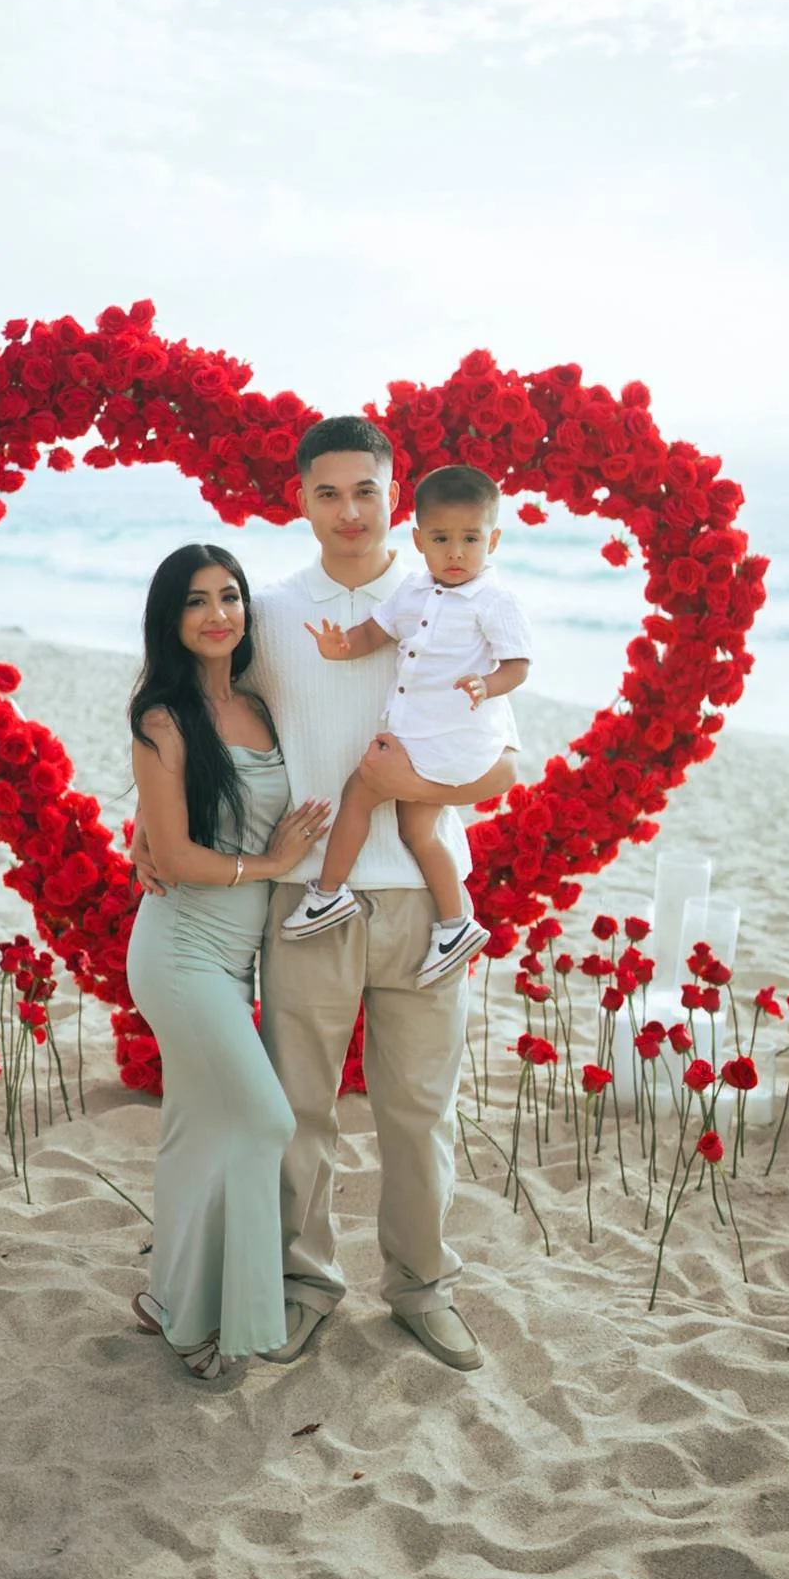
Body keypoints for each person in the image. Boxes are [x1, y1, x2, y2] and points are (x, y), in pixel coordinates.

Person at [246, 419, 517, 1373]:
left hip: (421, 906)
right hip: (307, 900)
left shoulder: (453, 596)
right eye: (328, 493)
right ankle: (303, 1283)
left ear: (394, 495)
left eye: (366, 490)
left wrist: (414, 792)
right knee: (297, 1111)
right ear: (302, 500)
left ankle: (419, 1287)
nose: (349, 511)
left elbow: (504, 768)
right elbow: (201, 723)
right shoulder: (270, 609)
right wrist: (149, 822)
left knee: (417, 1113)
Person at [125, 543, 330, 1379]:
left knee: (194, 1129)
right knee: (263, 1120)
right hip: (178, 951)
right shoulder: (163, 718)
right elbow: (171, 857)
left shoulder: (264, 704)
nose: (219, 614)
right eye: (197, 601)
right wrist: (270, 867)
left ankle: (169, 1297)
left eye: (231, 597)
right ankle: (221, 1325)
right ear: (171, 619)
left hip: (237, 956)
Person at [281, 464, 533, 987]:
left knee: (361, 792)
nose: (457, 553)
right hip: (416, 737)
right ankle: (455, 923)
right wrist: (341, 645)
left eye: (471, 539)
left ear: (495, 540)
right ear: (419, 539)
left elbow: (518, 664)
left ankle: (328, 893)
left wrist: (488, 684)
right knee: (416, 830)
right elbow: (376, 631)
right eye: (442, 539)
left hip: (447, 741)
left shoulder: (494, 600)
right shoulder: (415, 592)